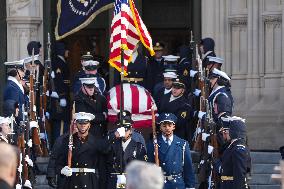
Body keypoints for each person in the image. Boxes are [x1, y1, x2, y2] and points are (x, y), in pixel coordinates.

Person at [57, 112, 123, 189]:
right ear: (76, 125)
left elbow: (105, 147)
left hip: (90, 182)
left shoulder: (95, 141)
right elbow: (58, 164)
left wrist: (114, 135)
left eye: (85, 123)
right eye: (80, 123)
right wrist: (62, 170)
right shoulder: (67, 141)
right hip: (72, 181)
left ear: (89, 125)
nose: (83, 126)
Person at [147, 113, 196, 189]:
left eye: (170, 125)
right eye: (164, 126)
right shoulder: (153, 144)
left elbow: (188, 167)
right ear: (160, 127)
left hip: (177, 184)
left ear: (174, 127)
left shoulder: (183, 144)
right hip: (160, 184)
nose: (167, 128)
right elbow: (149, 166)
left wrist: (190, 186)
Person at [106, 113, 147, 189]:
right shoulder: (112, 144)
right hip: (115, 180)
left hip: (131, 180)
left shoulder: (138, 146)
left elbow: (142, 166)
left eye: (126, 129)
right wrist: (113, 137)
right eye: (121, 129)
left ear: (131, 131)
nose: (124, 131)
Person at [215, 116, 251, 189]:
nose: (225, 133)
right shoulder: (232, 146)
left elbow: (239, 175)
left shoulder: (239, 148)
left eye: (228, 130)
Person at [48, 41, 71, 143]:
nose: (68, 51)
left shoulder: (61, 61)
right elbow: (58, 80)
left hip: (64, 95)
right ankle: (58, 148)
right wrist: (61, 96)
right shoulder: (58, 62)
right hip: (60, 98)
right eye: (66, 49)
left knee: (64, 123)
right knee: (60, 124)